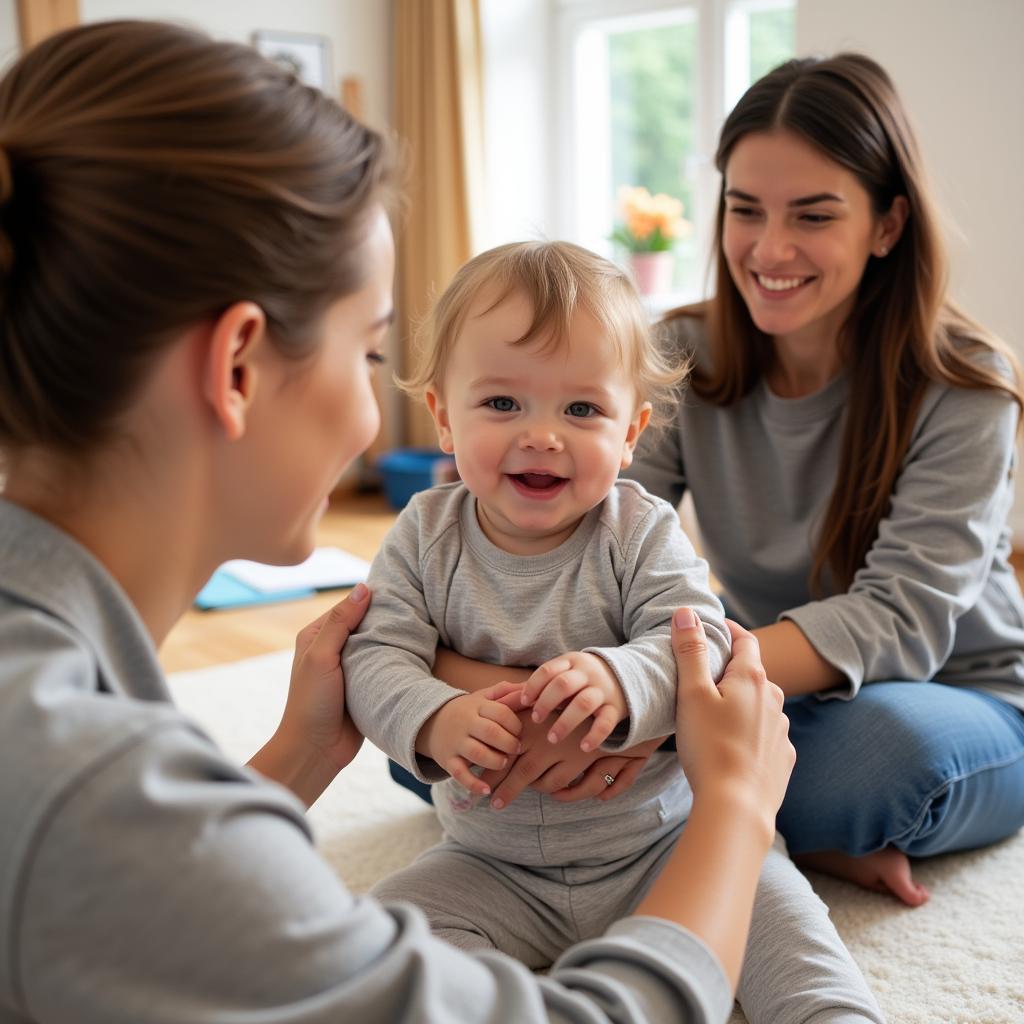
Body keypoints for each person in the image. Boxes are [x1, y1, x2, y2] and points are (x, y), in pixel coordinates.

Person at [0, 19, 797, 1023]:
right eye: (369, 352)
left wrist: (300, 749)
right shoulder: (87, 780)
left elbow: (125, 902)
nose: (375, 408)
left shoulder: (63, 724)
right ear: (237, 367)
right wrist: (734, 807)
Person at [342, 240, 884, 1024]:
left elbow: (705, 645)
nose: (542, 436)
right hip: (489, 862)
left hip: (663, 845)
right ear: (442, 416)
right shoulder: (423, 534)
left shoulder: (639, 529)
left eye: (580, 409)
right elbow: (374, 653)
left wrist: (621, 681)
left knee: (791, 941)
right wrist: (434, 717)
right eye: (502, 404)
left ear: (631, 432)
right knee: (379, 950)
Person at [622, 53, 1024, 907]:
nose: (770, 249)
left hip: (948, 695)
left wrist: (648, 688)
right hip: (770, 673)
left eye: (813, 215)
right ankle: (776, 824)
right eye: (745, 210)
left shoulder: (967, 383)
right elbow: (612, 536)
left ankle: (708, 810)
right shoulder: (684, 354)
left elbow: (900, 619)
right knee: (452, 737)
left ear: (886, 225)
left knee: (883, 762)